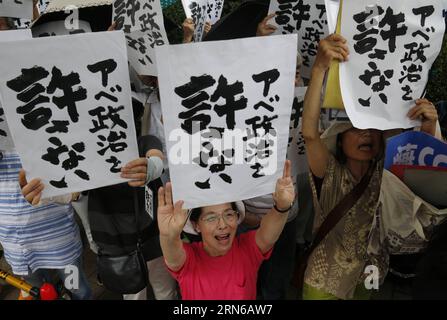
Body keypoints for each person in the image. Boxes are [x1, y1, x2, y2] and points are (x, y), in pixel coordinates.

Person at [300, 33, 440, 300]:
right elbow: (309, 134)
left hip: (373, 273)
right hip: (325, 279)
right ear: (339, 141)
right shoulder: (329, 173)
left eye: (372, 129)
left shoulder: (390, 176)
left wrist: (428, 126)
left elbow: (427, 182)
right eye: (354, 129)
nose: (365, 134)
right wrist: (319, 67)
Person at [157, 160, 295, 300]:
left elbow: (267, 236)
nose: (222, 224)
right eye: (211, 218)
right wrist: (168, 235)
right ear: (197, 225)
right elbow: (173, 257)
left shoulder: (246, 249)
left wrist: (282, 207)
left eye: (229, 214)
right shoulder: (189, 258)